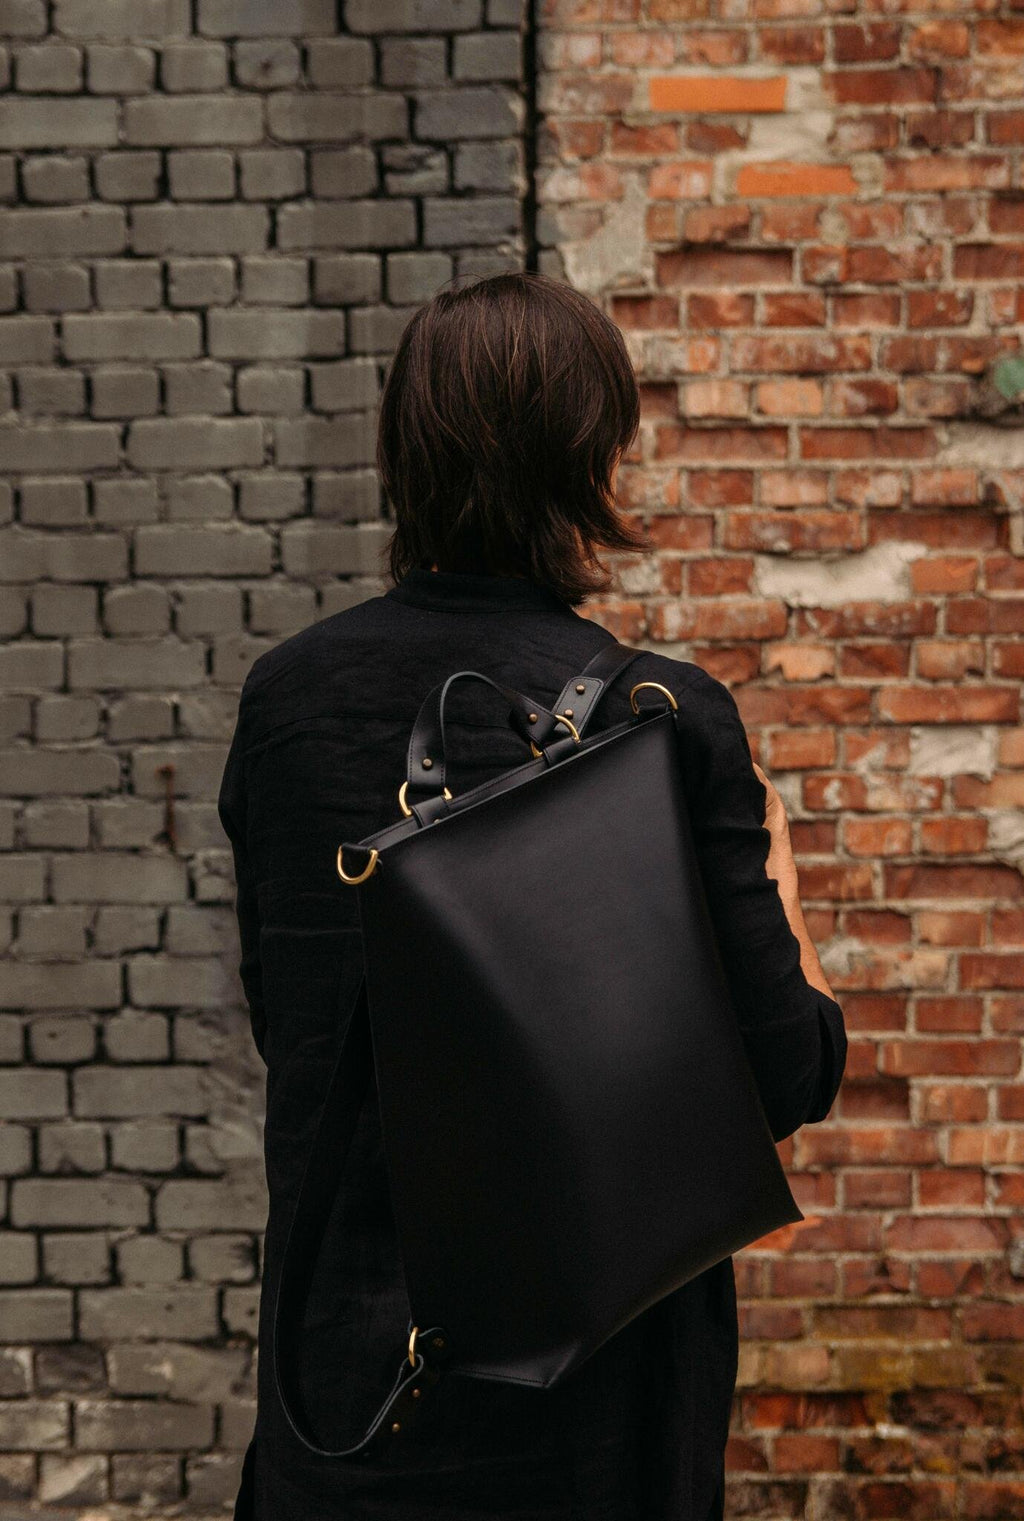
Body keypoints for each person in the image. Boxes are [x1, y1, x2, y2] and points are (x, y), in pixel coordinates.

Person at [218, 270, 848, 1521]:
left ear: (405, 453)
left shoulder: (284, 702)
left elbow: (292, 1024)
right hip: (595, 1410)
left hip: (346, 1383)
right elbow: (788, 1077)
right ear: (591, 461)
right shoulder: (662, 718)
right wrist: (778, 855)